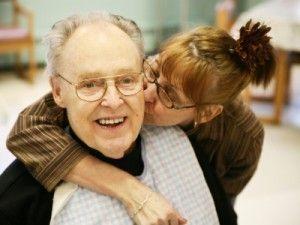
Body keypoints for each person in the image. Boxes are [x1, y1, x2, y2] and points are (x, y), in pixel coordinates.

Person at [5, 15, 275, 224]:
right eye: (151, 70)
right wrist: (130, 190)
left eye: (168, 95)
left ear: (205, 114)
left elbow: (217, 208)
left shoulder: (240, 140)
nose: (144, 93)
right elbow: (27, 129)